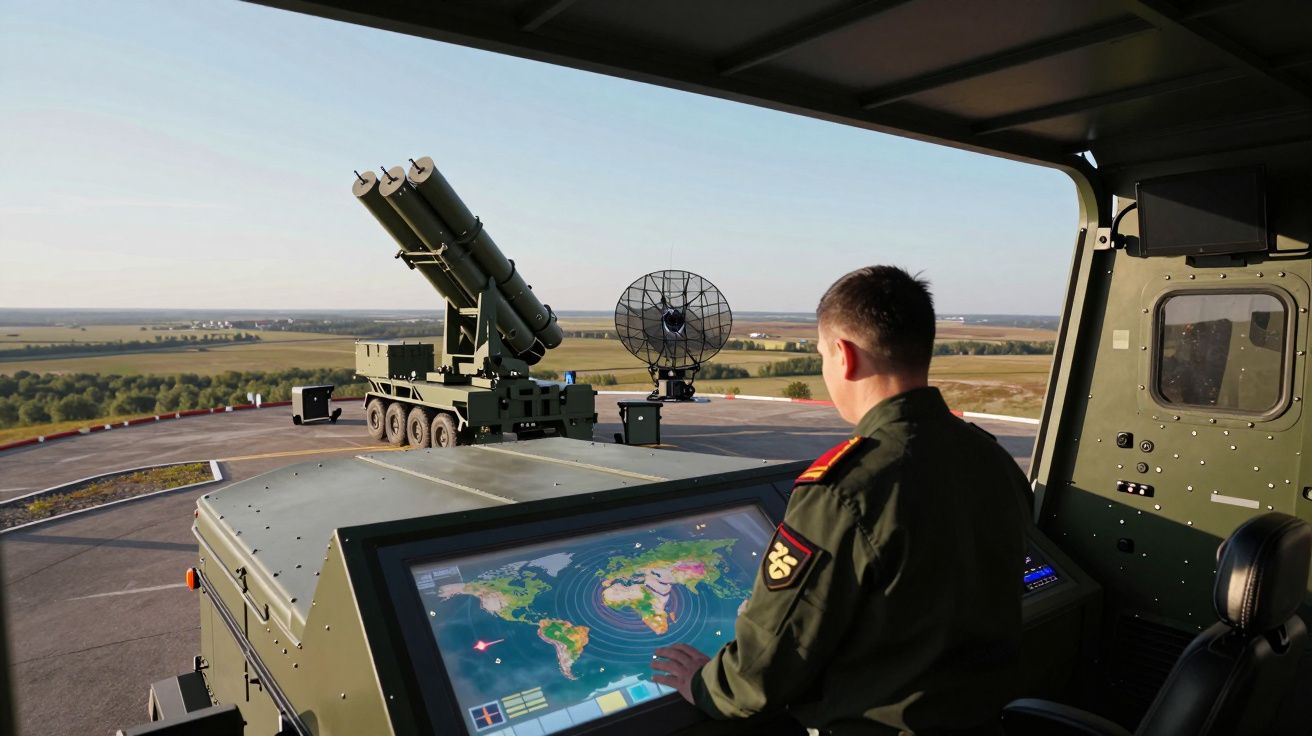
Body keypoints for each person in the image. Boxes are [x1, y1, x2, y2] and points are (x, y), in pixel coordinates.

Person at [653, 266, 1031, 735]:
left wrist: (708, 685)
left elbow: (767, 668)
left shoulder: (844, 489)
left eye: (821, 355)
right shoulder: (991, 457)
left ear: (845, 356)